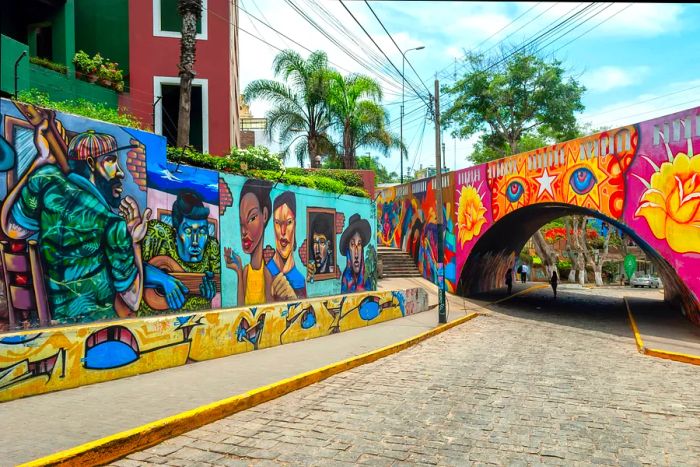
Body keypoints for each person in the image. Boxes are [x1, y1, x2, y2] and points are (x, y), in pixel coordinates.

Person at [0, 121, 149, 322]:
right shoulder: (111, 224)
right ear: (90, 163)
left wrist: (39, 161)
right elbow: (133, 299)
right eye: (112, 161)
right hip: (95, 327)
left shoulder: (45, 181)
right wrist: (135, 241)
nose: (121, 172)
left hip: (47, 321)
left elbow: (11, 228)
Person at [139, 189, 219, 313]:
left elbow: (218, 281)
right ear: (176, 232)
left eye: (202, 231)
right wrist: (163, 279)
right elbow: (130, 268)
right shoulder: (158, 234)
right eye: (188, 231)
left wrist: (211, 290)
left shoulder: (212, 247)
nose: (195, 241)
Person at [225, 179, 273, 306]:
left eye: (252, 218)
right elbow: (240, 306)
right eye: (241, 223)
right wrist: (238, 270)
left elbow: (270, 309)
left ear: (265, 215)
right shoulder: (246, 271)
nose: (243, 231)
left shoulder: (267, 274)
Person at [267, 191, 307, 300]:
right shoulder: (266, 273)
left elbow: (305, 315)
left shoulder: (299, 279)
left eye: (288, 222)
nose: (283, 231)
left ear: (295, 225)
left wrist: (292, 297)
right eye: (278, 223)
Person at [340, 214, 373, 293]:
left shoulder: (366, 278)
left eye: (359, 244)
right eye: (352, 244)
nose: (356, 253)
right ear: (348, 250)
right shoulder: (346, 279)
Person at [307, 214, 334, 281]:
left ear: (329, 246)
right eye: (315, 242)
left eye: (322, 242)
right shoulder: (309, 273)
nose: (317, 250)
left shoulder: (332, 271)